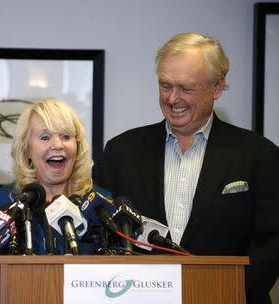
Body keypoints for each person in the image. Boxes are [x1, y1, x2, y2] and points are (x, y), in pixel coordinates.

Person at [96, 32, 279, 303]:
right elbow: (101, 233)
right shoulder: (121, 151)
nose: (172, 98)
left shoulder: (259, 154)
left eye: (186, 88)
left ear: (217, 88)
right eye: (165, 85)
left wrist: (227, 291)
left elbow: (271, 242)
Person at [0, 98, 107, 272]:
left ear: (77, 146)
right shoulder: (5, 202)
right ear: (27, 149)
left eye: (66, 136)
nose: (57, 145)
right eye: (45, 137)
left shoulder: (98, 203)